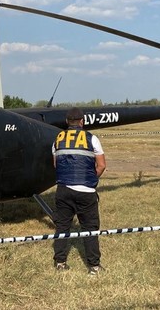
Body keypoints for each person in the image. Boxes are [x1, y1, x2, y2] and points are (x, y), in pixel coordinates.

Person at [51, 107, 106, 275]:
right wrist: (91, 179)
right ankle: (94, 267)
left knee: (62, 227)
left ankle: (60, 262)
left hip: (63, 189)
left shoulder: (58, 139)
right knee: (90, 228)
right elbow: (102, 165)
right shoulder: (92, 138)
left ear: (67, 122)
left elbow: (56, 164)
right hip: (86, 191)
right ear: (82, 121)